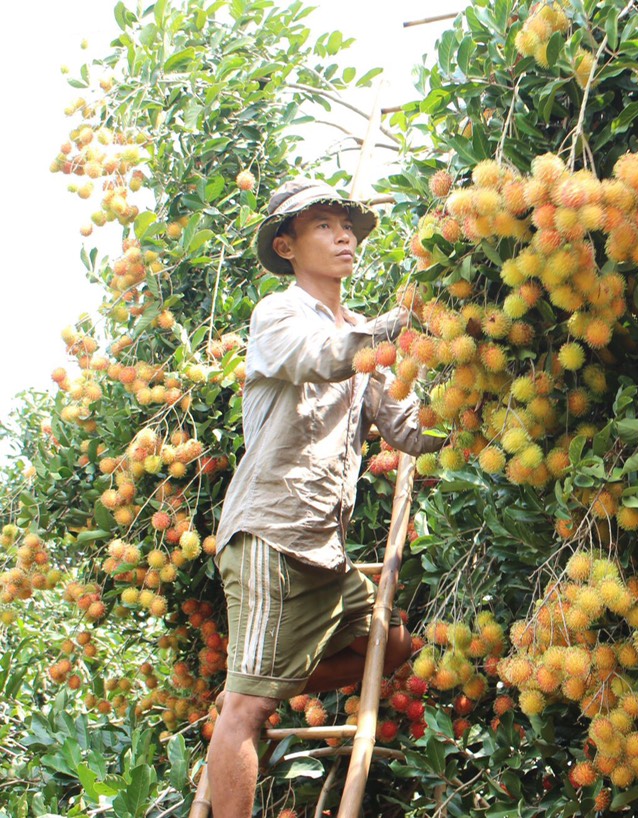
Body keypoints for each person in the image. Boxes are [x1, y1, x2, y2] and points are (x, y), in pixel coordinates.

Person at [203, 179, 444, 818]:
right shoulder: (279, 316)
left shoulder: (366, 334)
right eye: (323, 227)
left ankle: (254, 681)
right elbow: (323, 358)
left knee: (389, 647)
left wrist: (478, 402)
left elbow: (405, 429)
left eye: (348, 226)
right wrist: (402, 322)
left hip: (324, 550)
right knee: (248, 711)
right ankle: (245, 695)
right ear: (286, 246)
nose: (343, 237)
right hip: (271, 534)